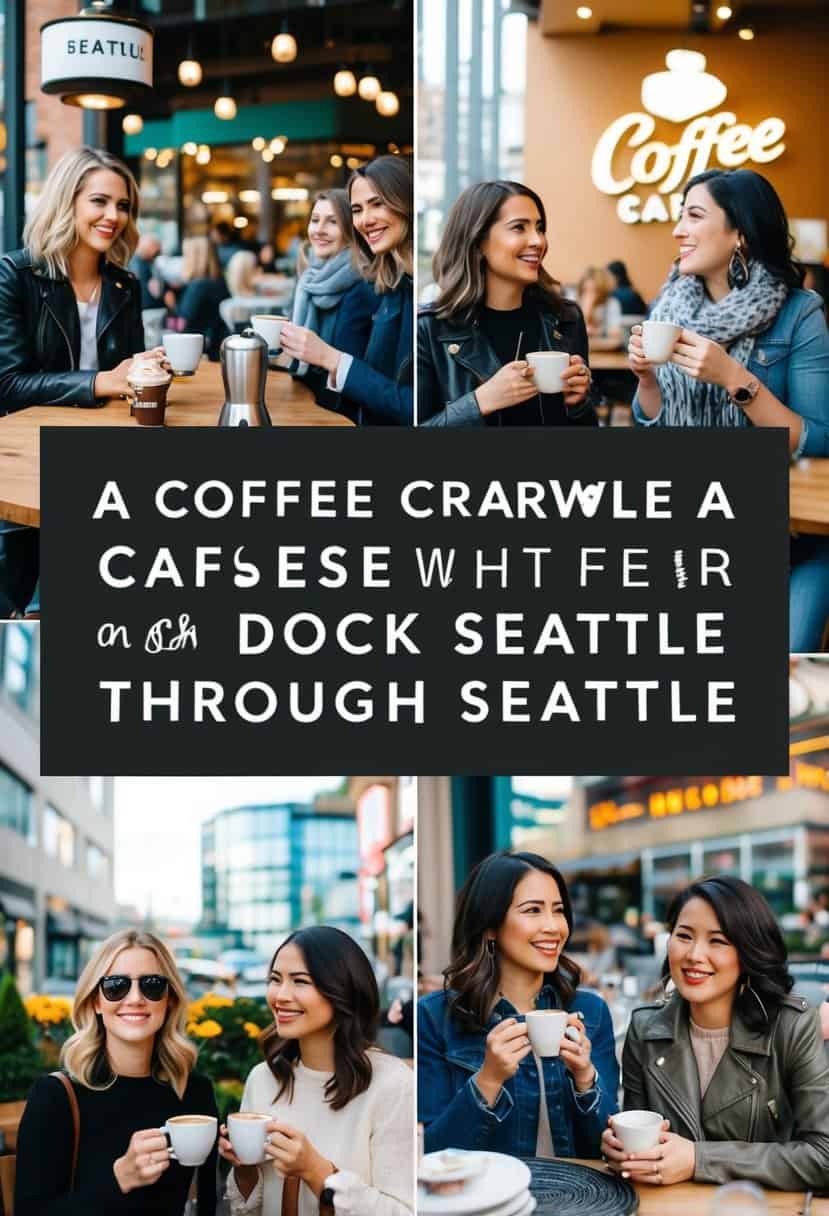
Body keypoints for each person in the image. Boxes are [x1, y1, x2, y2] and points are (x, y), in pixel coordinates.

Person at [628, 168, 829, 652]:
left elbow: (819, 440)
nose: (678, 230)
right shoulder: (668, 306)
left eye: (694, 216)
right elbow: (650, 425)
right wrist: (646, 379)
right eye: (679, 216)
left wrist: (735, 380)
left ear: (740, 232)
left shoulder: (799, 312)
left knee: (783, 667)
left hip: (790, 531)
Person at [0, 146, 162, 618]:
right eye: (99, 201)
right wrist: (100, 383)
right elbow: (8, 384)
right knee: (15, 604)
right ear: (66, 201)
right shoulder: (16, 275)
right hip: (28, 460)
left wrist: (146, 374)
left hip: (105, 462)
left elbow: (128, 375)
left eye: (123, 205)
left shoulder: (124, 285)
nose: (114, 216)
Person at [601, 876, 829, 1190]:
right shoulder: (645, 1029)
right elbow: (643, 1143)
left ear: (749, 952)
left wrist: (699, 1159)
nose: (695, 954)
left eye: (718, 941)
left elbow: (823, 1156)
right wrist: (623, 1152)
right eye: (684, 936)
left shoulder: (792, 1026)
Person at [418, 851, 618, 1157]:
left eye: (558, 910)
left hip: (577, 1186)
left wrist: (584, 1078)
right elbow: (434, 1155)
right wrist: (488, 1079)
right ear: (490, 926)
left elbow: (608, 1146)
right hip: (488, 1188)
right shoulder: (435, 1017)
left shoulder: (591, 1011)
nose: (553, 926)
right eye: (533, 910)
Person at [15, 928, 218, 1215]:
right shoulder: (55, 1097)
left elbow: (207, 1204)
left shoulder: (194, 1092)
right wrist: (120, 1179)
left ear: (170, 1000)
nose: (135, 998)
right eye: (115, 986)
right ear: (96, 1001)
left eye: (152, 985)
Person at [219, 925, 413, 1215]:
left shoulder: (393, 1085)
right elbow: (249, 1211)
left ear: (342, 990)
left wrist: (315, 1171)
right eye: (275, 979)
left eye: (300, 981)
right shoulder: (263, 1078)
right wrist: (244, 1168)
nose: (280, 995)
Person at [417, 180, 596, 427]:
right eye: (519, 228)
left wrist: (579, 404)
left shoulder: (565, 319)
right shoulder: (429, 329)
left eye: (540, 228)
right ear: (478, 240)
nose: (538, 241)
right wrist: (480, 402)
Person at [279, 156, 413, 425]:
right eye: (357, 210)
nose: (366, 219)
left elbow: (406, 401)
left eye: (377, 203)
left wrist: (330, 359)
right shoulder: (393, 286)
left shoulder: (375, 288)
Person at [287, 190, 374, 405]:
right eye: (315, 220)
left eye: (332, 222)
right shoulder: (307, 280)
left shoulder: (362, 286)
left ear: (351, 230)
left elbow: (354, 370)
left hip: (336, 409)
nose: (319, 230)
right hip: (303, 399)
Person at [176, 235, 230, 360]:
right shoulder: (219, 283)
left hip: (197, 352)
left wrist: (170, 300)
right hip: (215, 347)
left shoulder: (198, 286)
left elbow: (183, 320)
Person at [577, 266, 623, 351]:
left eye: (594, 291)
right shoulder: (574, 303)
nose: (589, 295)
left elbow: (616, 340)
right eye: (585, 290)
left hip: (604, 355)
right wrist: (586, 311)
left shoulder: (611, 304)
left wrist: (586, 342)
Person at [129, 232, 165, 310]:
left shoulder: (150, 262)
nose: (158, 252)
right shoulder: (134, 263)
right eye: (157, 249)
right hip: (146, 309)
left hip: (152, 308)